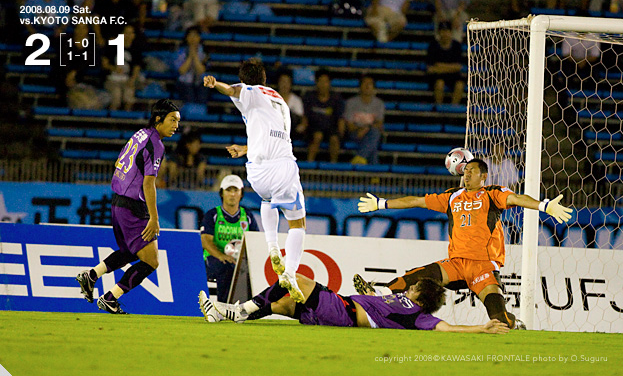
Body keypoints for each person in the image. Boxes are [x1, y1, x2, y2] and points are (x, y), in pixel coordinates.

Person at [355, 158, 573, 328]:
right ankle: (378, 297)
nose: (467, 174)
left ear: (484, 176)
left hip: (484, 267)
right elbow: (417, 201)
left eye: (472, 171)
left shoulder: (492, 194)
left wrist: (544, 206)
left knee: (500, 320)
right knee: (410, 279)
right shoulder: (452, 197)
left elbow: (516, 199)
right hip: (456, 264)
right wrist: (381, 203)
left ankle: (516, 323)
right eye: (465, 171)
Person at [203, 59, 307, 302]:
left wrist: (215, 83)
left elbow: (233, 90)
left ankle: (272, 244)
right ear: (264, 79)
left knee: (267, 198)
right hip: (282, 166)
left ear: (244, 78)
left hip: (257, 171)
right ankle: (289, 273)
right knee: (298, 225)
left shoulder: (248, 91)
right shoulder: (279, 99)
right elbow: (275, 135)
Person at [76, 99, 180, 314]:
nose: (176, 125)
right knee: (151, 261)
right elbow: (149, 183)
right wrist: (154, 217)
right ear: (158, 119)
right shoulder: (156, 144)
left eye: (178, 121)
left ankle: (91, 275)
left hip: (118, 201)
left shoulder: (141, 133)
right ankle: (110, 298)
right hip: (133, 205)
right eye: (172, 120)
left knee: (131, 252)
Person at [198, 274, 509, 334]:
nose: (411, 286)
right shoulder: (400, 303)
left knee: (297, 280)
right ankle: (224, 317)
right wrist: (371, 293)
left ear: (420, 294)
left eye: (415, 286)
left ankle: (238, 310)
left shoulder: (418, 317)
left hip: (343, 313)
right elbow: (381, 309)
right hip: (341, 308)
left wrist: (481, 327)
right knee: (282, 305)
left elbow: (446, 327)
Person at [199, 174, 259, 302]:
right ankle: (222, 307)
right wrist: (221, 256)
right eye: (228, 190)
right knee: (226, 267)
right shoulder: (213, 215)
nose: (232, 194)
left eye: (235, 190)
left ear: (241, 194)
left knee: (252, 272)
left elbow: (256, 240)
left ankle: (249, 308)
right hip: (214, 258)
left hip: (240, 261)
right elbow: (205, 241)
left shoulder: (247, 216)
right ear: (222, 193)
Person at [302, 70, 345, 163]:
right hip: (313, 128)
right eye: (320, 81)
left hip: (331, 129)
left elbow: (340, 119)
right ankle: (309, 163)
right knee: (317, 136)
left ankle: (333, 165)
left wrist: (341, 134)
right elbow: (305, 117)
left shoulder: (336, 98)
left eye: (325, 81)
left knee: (334, 139)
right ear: (316, 83)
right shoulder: (309, 97)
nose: (323, 85)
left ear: (329, 83)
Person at [344, 75, 384, 165]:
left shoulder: (379, 103)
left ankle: (359, 158)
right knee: (373, 143)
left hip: (370, 132)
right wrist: (360, 130)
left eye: (370, 84)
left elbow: (379, 124)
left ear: (373, 87)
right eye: (365, 83)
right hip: (355, 133)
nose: (367, 86)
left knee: (374, 135)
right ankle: (374, 175)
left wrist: (366, 128)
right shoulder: (351, 103)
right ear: (360, 86)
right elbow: (349, 126)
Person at [101, 24, 144, 111]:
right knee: (116, 96)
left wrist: (132, 80)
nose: (128, 36)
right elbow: (104, 64)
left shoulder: (136, 49)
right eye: (126, 33)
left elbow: (137, 67)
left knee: (128, 96)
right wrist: (114, 68)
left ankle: (127, 120)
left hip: (127, 79)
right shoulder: (112, 46)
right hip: (112, 79)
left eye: (130, 33)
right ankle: (112, 121)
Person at [426, 21, 464, 105]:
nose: (445, 34)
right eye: (442, 31)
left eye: (447, 31)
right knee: (439, 84)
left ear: (451, 32)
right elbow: (430, 69)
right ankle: (439, 109)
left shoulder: (456, 46)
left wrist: (440, 66)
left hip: (453, 76)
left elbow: (458, 67)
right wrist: (450, 68)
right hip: (437, 77)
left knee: (460, 85)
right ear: (439, 33)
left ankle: (453, 110)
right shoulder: (433, 46)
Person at [174, 26, 208, 104]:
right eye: (190, 36)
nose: (193, 38)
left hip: (200, 82)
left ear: (199, 38)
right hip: (184, 82)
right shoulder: (180, 52)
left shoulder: (204, 52)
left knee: (203, 94)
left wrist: (195, 56)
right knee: (188, 95)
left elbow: (201, 70)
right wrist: (190, 56)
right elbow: (182, 71)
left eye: (195, 35)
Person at [276, 71, 305, 141]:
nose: (284, 85)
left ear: (290, 84)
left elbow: (300, 117)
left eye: (287, 82)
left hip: (292, 131)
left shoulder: (296, 100)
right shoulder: (272, 98)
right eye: (282, 82)